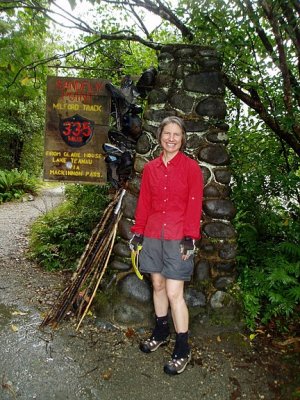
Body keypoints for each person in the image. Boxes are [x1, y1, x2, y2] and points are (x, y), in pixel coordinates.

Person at [129, 116, 203, 375]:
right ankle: (161, 333)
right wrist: (138, 233)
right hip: (152, 236)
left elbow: (194, 205)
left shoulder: (191, 168)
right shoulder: (150, 169)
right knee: (157, 285)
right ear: (160, 136)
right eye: (167, 133)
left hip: (177, 238)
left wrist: (190, 237)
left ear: (183, 138)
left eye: (176, 134)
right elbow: (144, 203)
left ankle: (183, 348)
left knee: (174, 293)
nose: (171, 138)